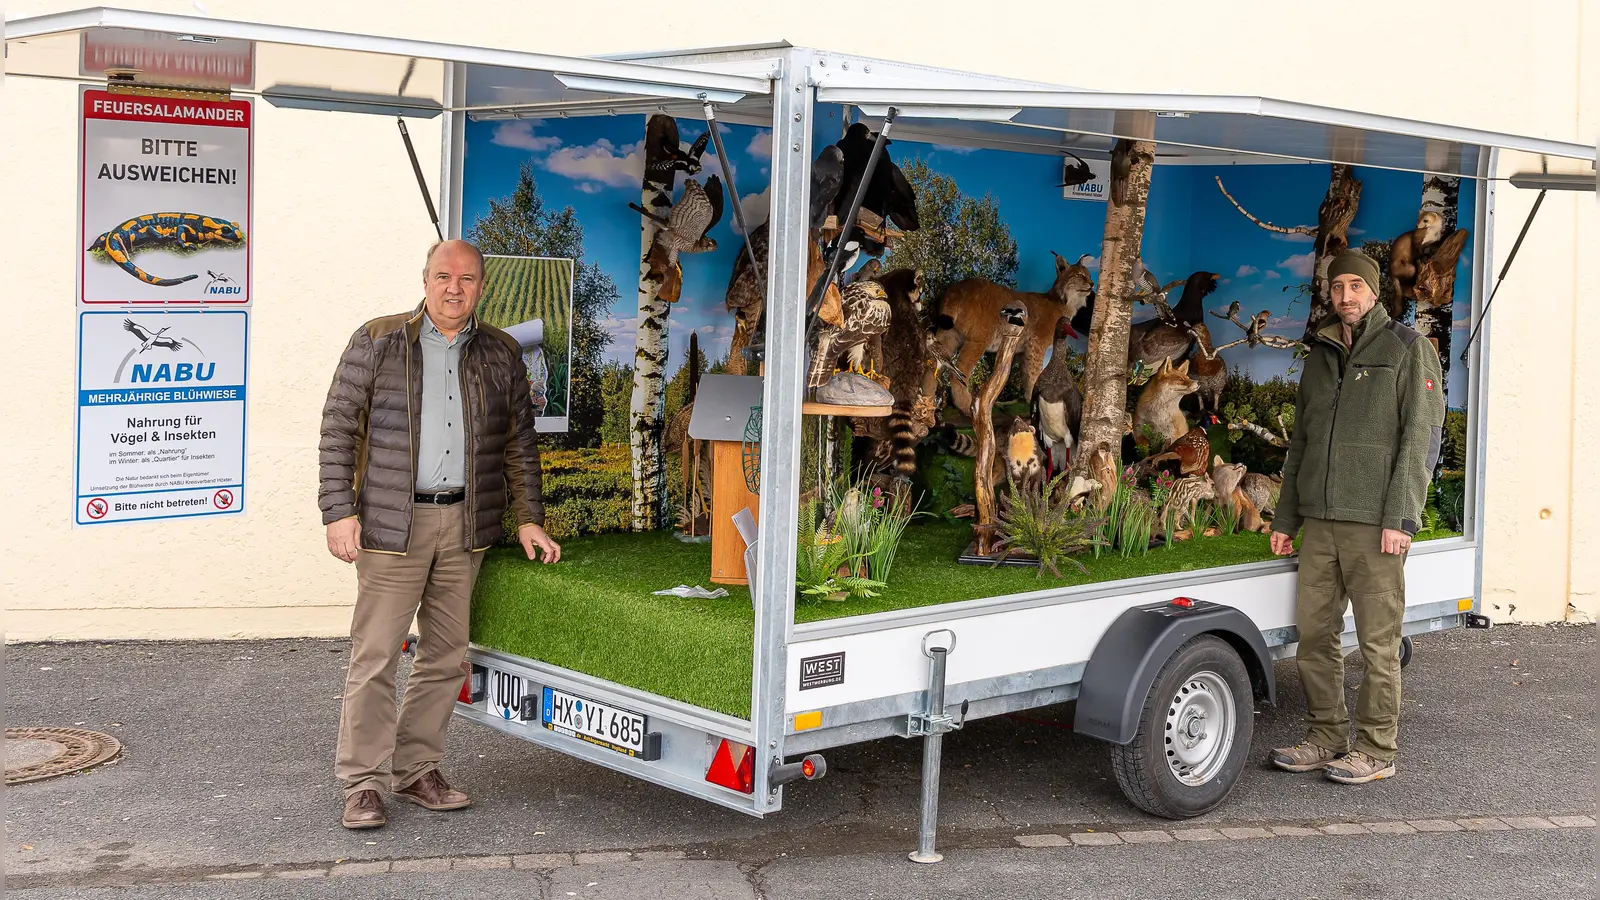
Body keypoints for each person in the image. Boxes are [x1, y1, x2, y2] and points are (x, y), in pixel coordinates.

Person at [319, 239, 561, 829]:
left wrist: (528, 516)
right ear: (425, 280)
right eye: (443, 276)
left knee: (445, 658)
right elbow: (339, 427)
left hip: (464, 523)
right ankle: (364, 783)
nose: (455, 288)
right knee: (375, 655)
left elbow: (518, 443)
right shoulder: (378, 340)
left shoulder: (501, 351)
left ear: (482, 286)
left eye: (468, 279)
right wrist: (337, 510)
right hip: (389, 523)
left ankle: (417, 768)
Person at [1266, 249, 1445, 785]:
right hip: (1320, 522)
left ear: (1374, 292)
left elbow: (1421, 439)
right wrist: (1285, 518)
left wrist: (1401, 517)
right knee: (1315, 637)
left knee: (1377, 644)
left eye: (1356, 286)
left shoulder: (1408, 348)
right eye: (1338, 285)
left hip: (1375, 526)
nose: (1346, 296)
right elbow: (1301, 442)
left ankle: (1375, 749)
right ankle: (1326, 737)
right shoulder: (1319, 354)